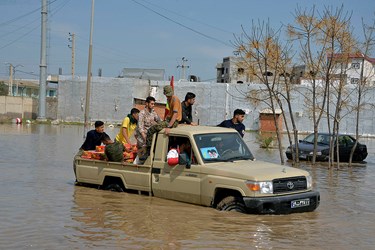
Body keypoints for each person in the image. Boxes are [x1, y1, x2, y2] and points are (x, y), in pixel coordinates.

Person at [140, 85, 182, 160]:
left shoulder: (175, 100)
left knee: (151, 130)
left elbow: (175, 114)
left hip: (173, 121)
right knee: (154, 130)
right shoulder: (142, 113)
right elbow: (140, 128)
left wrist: (169, 126)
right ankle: (149, 151)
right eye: (167, 95)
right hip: (168, 121)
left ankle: (149, 151)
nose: (167, 97)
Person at [134, 96, 160, 163]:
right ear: (146, 103)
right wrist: (145, 138)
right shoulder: (142, 114)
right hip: (142, 139)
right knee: (142, 156)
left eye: (154, 104)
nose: (153, 105)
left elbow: (159, 121)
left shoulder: (153, 113)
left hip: (150, 137)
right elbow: (140, 128)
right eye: (151, 104)